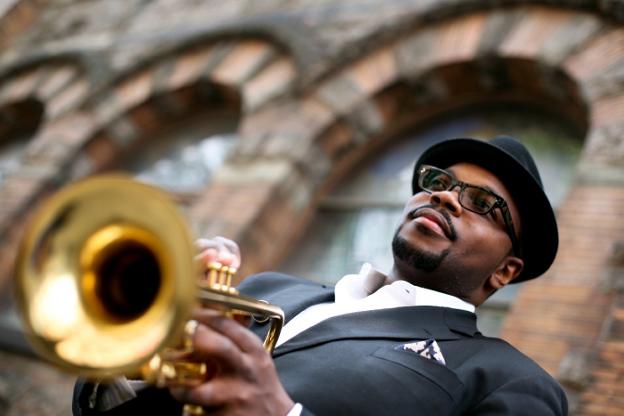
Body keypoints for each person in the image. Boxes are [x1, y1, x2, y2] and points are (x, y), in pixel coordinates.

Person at [73, 136, 568, 415]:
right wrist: (141, 343)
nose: (444, 197)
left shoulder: (510, 380)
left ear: (504, 271)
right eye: (438, 183)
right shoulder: (267, 288)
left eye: (482, 204)